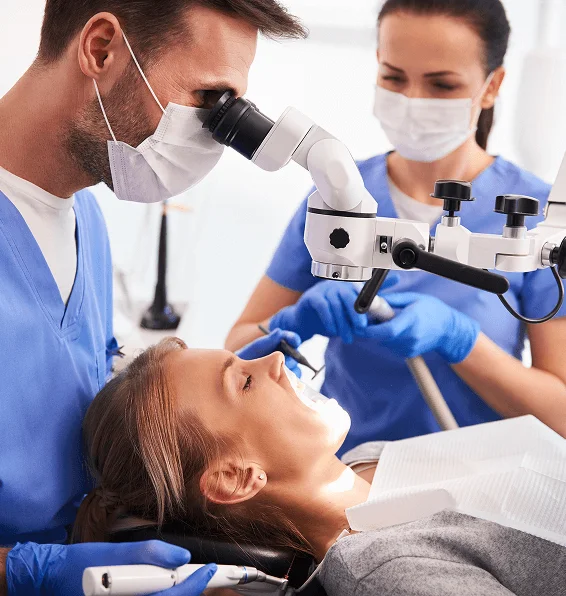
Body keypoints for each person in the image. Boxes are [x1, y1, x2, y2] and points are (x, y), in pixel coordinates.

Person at [0, 1, 306, 594]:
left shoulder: (84, 219)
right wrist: (19, 573)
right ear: (101, 49)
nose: (215, 136)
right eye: (208, 99)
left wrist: (230, 397)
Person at [225, 0, 566, 454]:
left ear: (492, 86)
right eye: (394, 77)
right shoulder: (338, 198)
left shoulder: (538, 219)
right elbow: (235, 350)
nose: (412, 101)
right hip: (344, 471)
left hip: (476, 480)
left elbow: (561, 416)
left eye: (442, 84)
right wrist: (292, 322)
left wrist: (461, 340)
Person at [73, 338, 566, 596]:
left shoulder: (367, 459)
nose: (274, 360)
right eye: (244, 382)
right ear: (235, 478)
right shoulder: (383, 571)